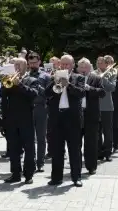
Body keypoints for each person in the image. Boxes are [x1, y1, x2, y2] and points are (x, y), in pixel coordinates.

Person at [46, 54, 85, 187]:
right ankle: (56, 178)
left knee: (74, 149)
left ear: (73, 65)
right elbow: (46, 94)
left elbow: (81, 93)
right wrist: (54, 82)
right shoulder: (54, 77)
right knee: (57, 150)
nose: (64, 66)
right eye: (62, 64)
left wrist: (68, 85)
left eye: (67, 64)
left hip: (72, 118)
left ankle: (76, 177)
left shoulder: (78, 77)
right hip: (57, 118)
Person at [0, 57, 39, 184]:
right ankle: (15, 173)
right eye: (15, 65)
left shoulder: (31, 80)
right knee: (14, 148)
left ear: (26, 66)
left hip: (26, 118)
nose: (16, 68)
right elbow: (1, 94)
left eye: (19, 65)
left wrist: (19, 85)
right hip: (11, 119)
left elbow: (33, 94)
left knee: (29, 148)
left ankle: (29, 174)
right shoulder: (8, 79)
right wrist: (8, 82)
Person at [77, 58, 105, 175]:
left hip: (91, 115)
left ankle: (91, 166)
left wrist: (90, 88)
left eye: (85, 67)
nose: (83, 69)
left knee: (91, 143)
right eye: (81, 67)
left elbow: (102, 92)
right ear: (78, 68)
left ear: (90, 67)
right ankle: (76, 167)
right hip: (77, 115)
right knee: (76, 143)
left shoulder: (96, 78)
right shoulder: (74, 78)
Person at [28, 52, 50, 173]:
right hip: (28, 108)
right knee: (29, 137)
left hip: (41, 108)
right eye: (30, 63)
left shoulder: (45, 76)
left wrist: (38, 86)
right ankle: (30, 161)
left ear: (39, 62)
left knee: (41, 137)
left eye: (35, 62)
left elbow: (49, 93)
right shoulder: (25, 75)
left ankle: (40, 162)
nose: (32, 65)